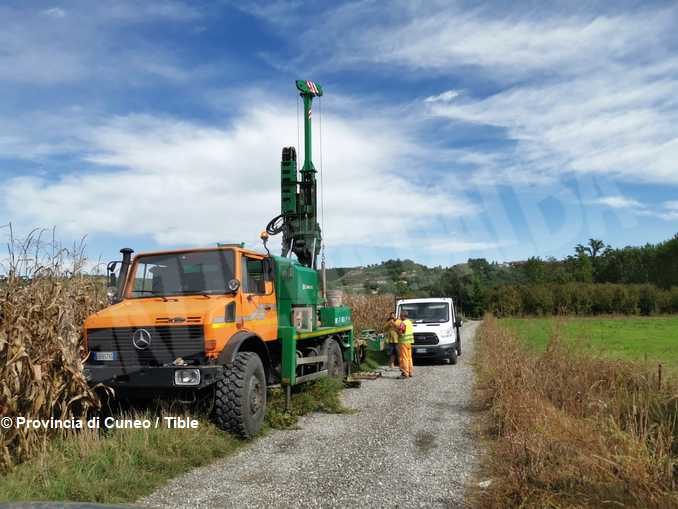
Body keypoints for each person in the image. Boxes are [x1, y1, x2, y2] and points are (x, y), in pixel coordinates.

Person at [397, 310, 414, 378]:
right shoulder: (409, 322)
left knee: (404, 358)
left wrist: (396, 331)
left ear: (404, 316)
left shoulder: (403, 323)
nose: (400, 317)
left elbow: (401, 333)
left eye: (401, 315)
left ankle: (405, 373)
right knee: (409, 357)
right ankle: (410, 372)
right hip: (409, 342)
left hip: (403, 342)